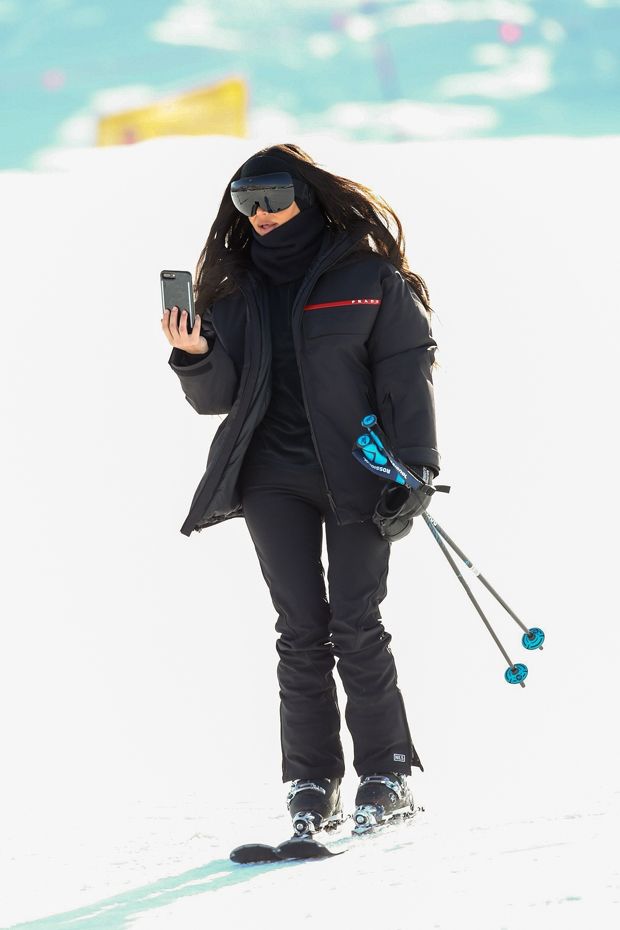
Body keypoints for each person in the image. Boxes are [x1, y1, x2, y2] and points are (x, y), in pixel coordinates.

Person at [161, 143, 440, 835]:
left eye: (273, 196)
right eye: (243, 201)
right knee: (301, 633)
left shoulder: (369, 278)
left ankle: (388, 774)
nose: (258, 214)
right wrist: (194, 357)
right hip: (270, 479)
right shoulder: (233, 291)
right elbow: (217, 399)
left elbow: (406, 375)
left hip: (359, 474)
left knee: (356, 623)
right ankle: (311, 785)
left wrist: (417, 468)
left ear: (308, 197)